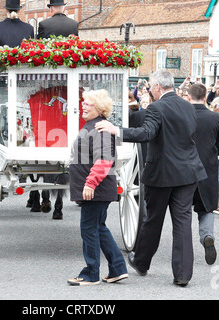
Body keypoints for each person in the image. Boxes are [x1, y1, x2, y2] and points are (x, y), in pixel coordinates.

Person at [95, 70, 207, 286]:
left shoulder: (156, 108)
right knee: (183, 222)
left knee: (153, 220)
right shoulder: (188, 106)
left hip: (162, 173)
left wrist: (115, 130)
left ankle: (142, 261)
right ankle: (183, 275)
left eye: (150, 88)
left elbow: (146, 134)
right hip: (188, 171)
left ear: (157, 87)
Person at [67, 89, 128, 286]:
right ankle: (118, 268)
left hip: (96, 189)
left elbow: (104, 160)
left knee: (89, 230)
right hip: (98, 188)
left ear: (99, 108)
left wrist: (90, 183)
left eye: (88, 103)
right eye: (83, 102)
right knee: (98, 228)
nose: (83, 105)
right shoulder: (95, 126)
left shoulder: (99, 128)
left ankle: (91, 274)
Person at [187, 83, 219, 265]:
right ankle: (207, 235)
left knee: (182, 210)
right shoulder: (215, 118)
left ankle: (184, 249)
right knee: (206, 208)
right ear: (205, 95)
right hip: (208, 168)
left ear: (189, 97)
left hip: (185, 169)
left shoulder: (184, 117)